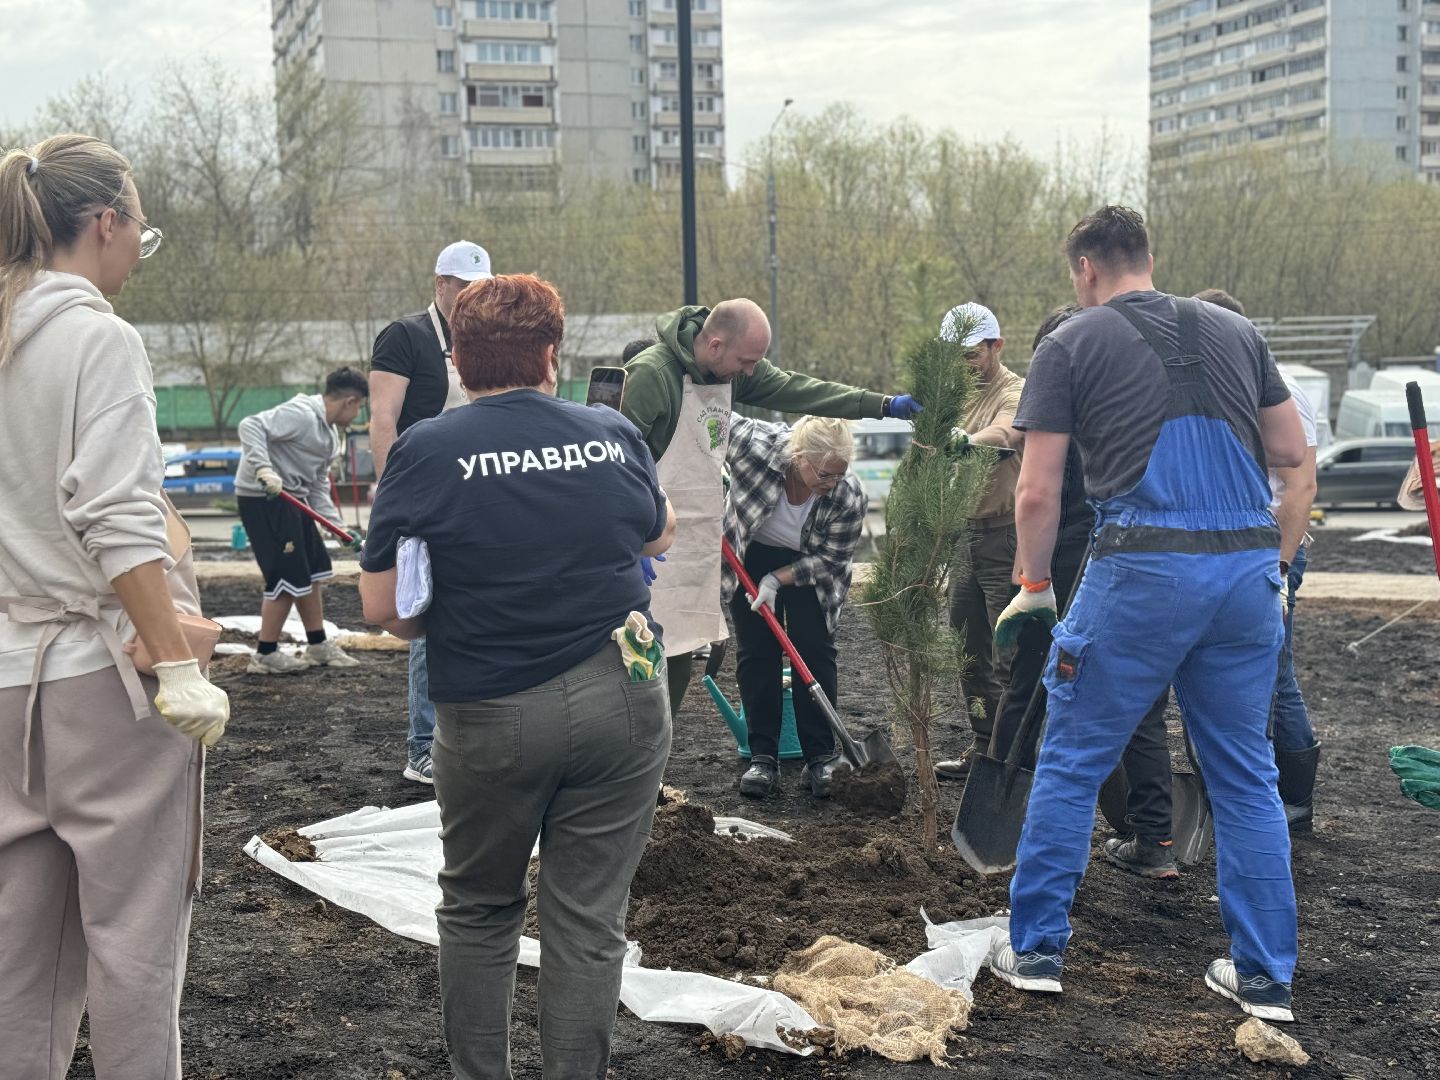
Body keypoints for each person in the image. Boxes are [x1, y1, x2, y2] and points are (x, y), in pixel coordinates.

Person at [986, 206, 1307, 1023]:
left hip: (1143, 568)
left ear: (1085, 269)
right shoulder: (1237, 333)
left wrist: (1033, 583)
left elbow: (1036, 489)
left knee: (1073, 758)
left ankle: (1036, 951)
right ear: (1149, 258)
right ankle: (1265, 978)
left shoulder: (1071, 342)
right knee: (1246, 772)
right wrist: (1270, 561)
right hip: (1245, 574)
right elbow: (1290, 454)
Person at [359, 273, 675, 1080]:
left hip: (491, 709)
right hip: (622, 697)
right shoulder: (610, 431)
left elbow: (384, 608)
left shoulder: (427, 448)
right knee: (589, 920)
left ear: (458, 361)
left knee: (479, 907)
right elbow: (659, 531)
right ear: (551, 354)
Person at [0, 134, 229, 1079]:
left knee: (19, 960)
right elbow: (117, 518)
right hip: (101, 681)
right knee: (135, 945)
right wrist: (177, 662)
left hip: (7, 678)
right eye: (141, 229)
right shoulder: (99, 339)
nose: (139, 248)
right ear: (106, 223)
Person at [1106, 287, 1323, 878]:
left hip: (1268, 550)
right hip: (1219, 547)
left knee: (1273, 675)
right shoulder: (1215, 381)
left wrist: (1280, 570)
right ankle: (1228, 792)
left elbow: (1300, 485)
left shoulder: (1280, 390)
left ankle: (1293, 800)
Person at [621, 298, 922, 716]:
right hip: (644, 533)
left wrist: (884, 405)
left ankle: (659, 752)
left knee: (679, 651)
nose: (750, 373)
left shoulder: (729, 369)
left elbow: (802, 390)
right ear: (715, 345)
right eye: (746, 362)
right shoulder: (652, 376)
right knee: (637, 653)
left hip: (691, 537)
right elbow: (617, 463)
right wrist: (629, 535)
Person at [369, 240, 493, 784]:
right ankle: (422, 745)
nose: (470, 297)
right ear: (440, 284)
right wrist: (390, 495)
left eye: (480, 289)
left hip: (476, 494)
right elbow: (383, 419)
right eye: (462, 287)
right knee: (425, 612)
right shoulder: (407, 336)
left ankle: (468, 732)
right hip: (422, 492)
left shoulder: (485, 339)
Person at [973, 306, 1094, 774]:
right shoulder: (1113, 407)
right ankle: (1010, 771)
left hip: (1070, 557)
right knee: (1044, 675)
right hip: (1080, 556)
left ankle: (1008, 775)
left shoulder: (1061, 416)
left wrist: (1030, 575)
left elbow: (1036, 494)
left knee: (1034, 675)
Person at [723, 415, 868, 799]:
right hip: (751, 554)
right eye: (824, 474)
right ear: (799, 455)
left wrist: (776, 580)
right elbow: (714, 419)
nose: (832, 483)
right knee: (757, 652)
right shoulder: (755, 446)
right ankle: (763, 757)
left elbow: (831, 560)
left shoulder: (848, 495)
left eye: (839, 473)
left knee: (814, 651)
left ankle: (820, 756)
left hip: (810, 566)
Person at [931, 302, 1027, 780]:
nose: (964, 364)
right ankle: (983, 741)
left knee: (1009, 652)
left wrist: (966, 441)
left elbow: (1007, 431)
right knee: (967, 651)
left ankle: (1013, 755)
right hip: (964, 537)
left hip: (1005, 537)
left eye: (971, 354)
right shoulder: (953, 394)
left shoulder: (1016, 391)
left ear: (996, 346)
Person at [235, 366, 369, 673]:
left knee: (313, 570)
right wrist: (264, 469)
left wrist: (338, 528)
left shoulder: (329, 435)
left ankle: (317, 645)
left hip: (294, 499)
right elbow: (250, 425)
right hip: (265, 499)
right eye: (360, 406)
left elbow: (317, 485)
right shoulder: (302, 414)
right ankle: (265, 654)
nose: (358, 413)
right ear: (349, 401)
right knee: (287, 576)